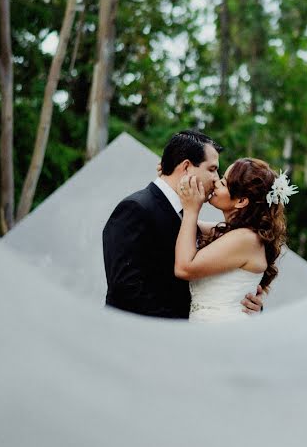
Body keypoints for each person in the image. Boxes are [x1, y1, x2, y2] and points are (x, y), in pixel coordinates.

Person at [102, 131, 264, 318]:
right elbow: (125, 290)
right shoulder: (135, 208)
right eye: (212, 169)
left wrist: (242, 306)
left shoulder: (188, 217)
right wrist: (180, 331)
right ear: (186, 167)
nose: (216, 179)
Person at [173, 158, 297, 323]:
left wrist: (192, 210)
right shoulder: (234, 233)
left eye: (223, 182)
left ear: (241, 201)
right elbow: (185, 225)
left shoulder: (246, 239)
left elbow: (184, 268)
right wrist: (173, 179)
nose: (216, 182)